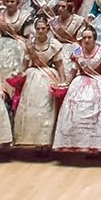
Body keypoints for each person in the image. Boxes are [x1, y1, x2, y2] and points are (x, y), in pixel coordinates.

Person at [53, 27, 101, 153]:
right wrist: (66, 84)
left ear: (95, 39)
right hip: (80, 82)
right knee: (75, 110)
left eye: (89, 37)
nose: (86, 40)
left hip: (99, 83)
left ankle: (96, 144)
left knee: (98, 111)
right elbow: (73, 71)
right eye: (84, 37)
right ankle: (77, 143)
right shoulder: (77, 52)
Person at [13, 20, 64, 149]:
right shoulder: (30, 44)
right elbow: (25, 63)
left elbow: (59, 65)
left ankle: (45, 142)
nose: (40, 31)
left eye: (43, 28)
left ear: (47, 29)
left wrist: (63, 81)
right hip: (32, 77)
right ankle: (32, 140)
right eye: (38, 29)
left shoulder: (54, 45)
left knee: (46, 109)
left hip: (48, 77)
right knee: (30, 108)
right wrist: (21, 74)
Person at [0, 0, 28, 76]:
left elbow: (29, 35)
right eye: (7, 2)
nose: (9, 4)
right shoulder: (0, 16)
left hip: (19, 42)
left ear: (17, 2)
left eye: (12, 2)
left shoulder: (24, 15)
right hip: (1, 43)